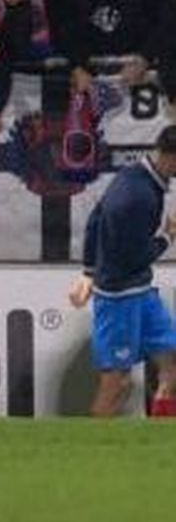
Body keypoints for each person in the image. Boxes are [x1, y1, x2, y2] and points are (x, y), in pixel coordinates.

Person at [70, 125, 176, 418]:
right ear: (171, 157)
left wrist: (88, 270)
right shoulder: (139, 197)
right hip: (119, 298)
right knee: (115, 385)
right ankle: (94, 454)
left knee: (171, 361)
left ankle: (162, 436)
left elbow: (95, 218)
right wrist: (168, 237)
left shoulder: (133, 176)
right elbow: (136, 256)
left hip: (139, 290)